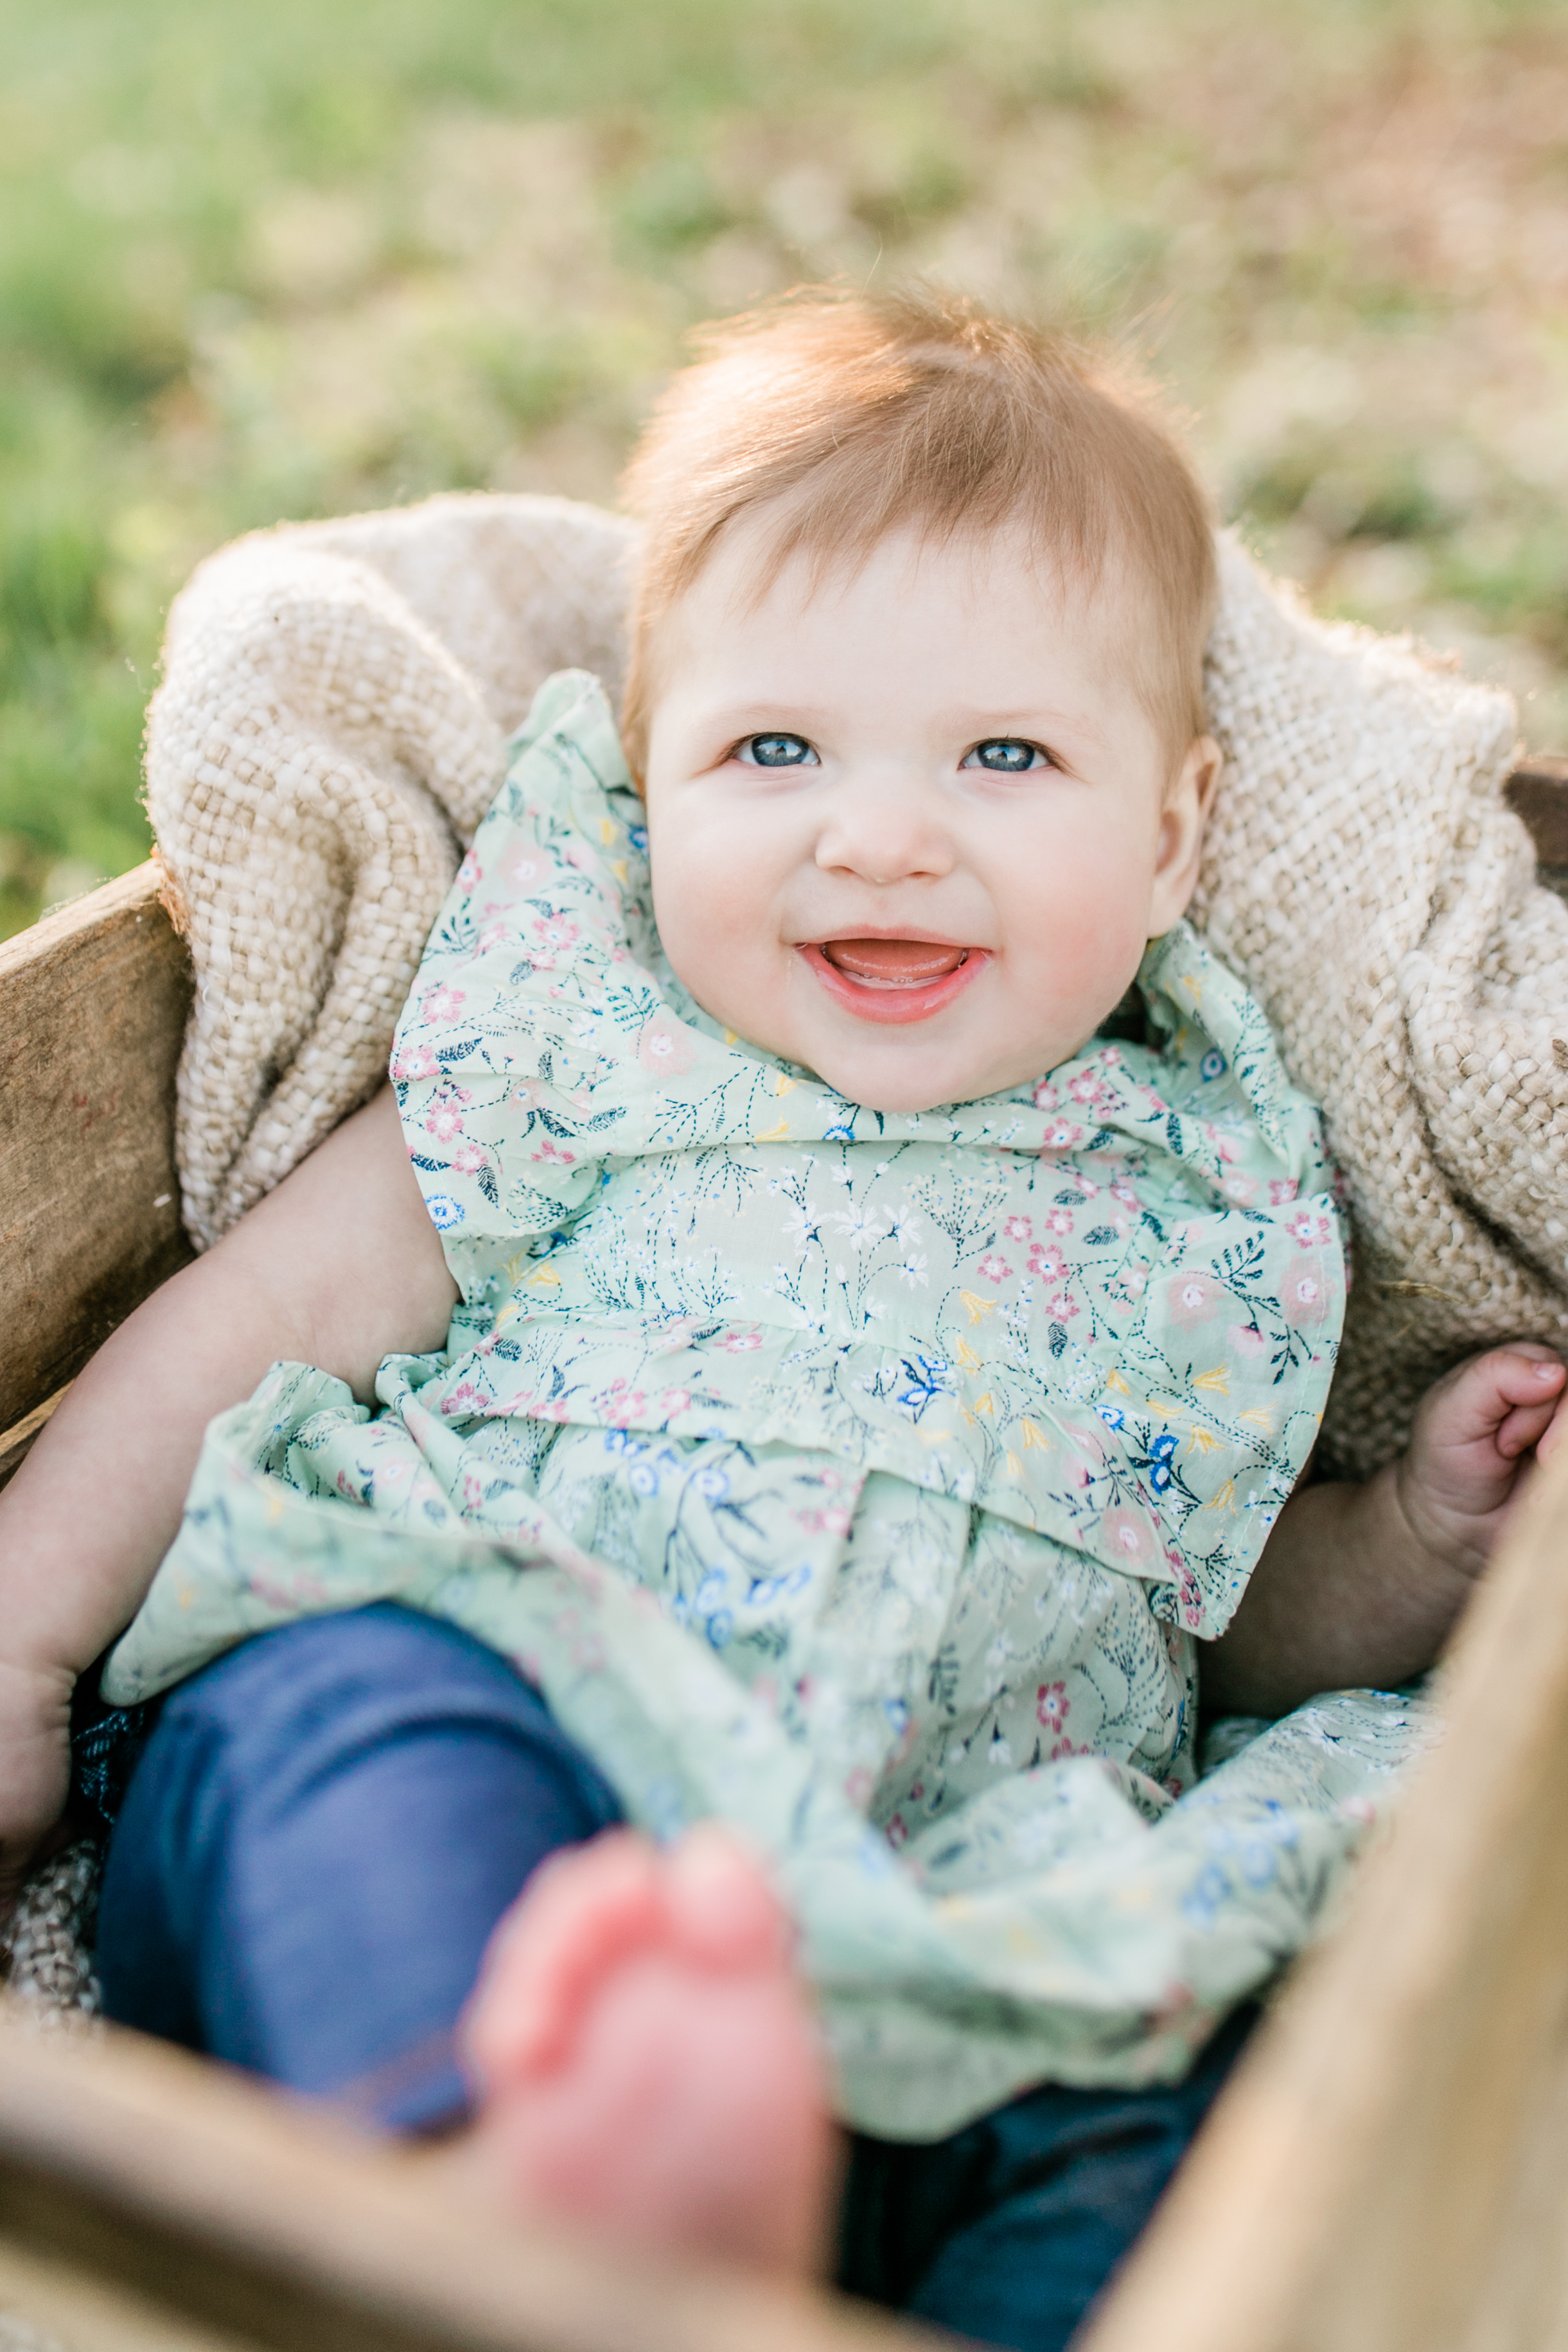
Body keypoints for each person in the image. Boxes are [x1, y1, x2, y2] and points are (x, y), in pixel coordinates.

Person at [0, 288, 1562, 2351]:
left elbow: (1213, 1606)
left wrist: (1410, 1552)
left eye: (1003, 753)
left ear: (1174, 835)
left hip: (961, 1914)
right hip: (505, 1675)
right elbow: (241, 1328)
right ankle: (506, 2181)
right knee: (352, 1743)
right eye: (772, 749)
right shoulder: (572, 1041)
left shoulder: (1199, 1196)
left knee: (1121, 2113)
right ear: (648, 784)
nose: (880, 832)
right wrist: (24, 1632)